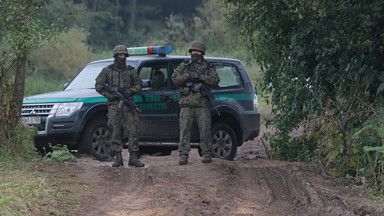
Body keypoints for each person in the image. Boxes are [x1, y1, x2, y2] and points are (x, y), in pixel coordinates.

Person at [95, 45, 145, 167]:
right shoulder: (107, 70)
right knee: (114, 130)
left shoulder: (131, 71)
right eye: (120, 55)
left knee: (133, 129)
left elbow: (139, 85)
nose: (122, 58)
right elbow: (99, 86)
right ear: (115, 56)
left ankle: (133, 157)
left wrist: (130, 91)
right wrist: (109, 95)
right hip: (114, 105)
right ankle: (118, 157)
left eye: (124, 55)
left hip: (128, 104)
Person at [171, 41, 220, 165]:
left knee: (205, 130)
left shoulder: (208, 67)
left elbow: (215, 81)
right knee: (184, 131)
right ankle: (183, 155)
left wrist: (200, 77)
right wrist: (187, 76)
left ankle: (207, 153)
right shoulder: (184, 66)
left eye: (198, 52)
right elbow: (175, 80)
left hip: (202, 104)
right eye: (193, 51)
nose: (195, 53)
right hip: (186, 104)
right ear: (190, 52)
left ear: (202, 53)